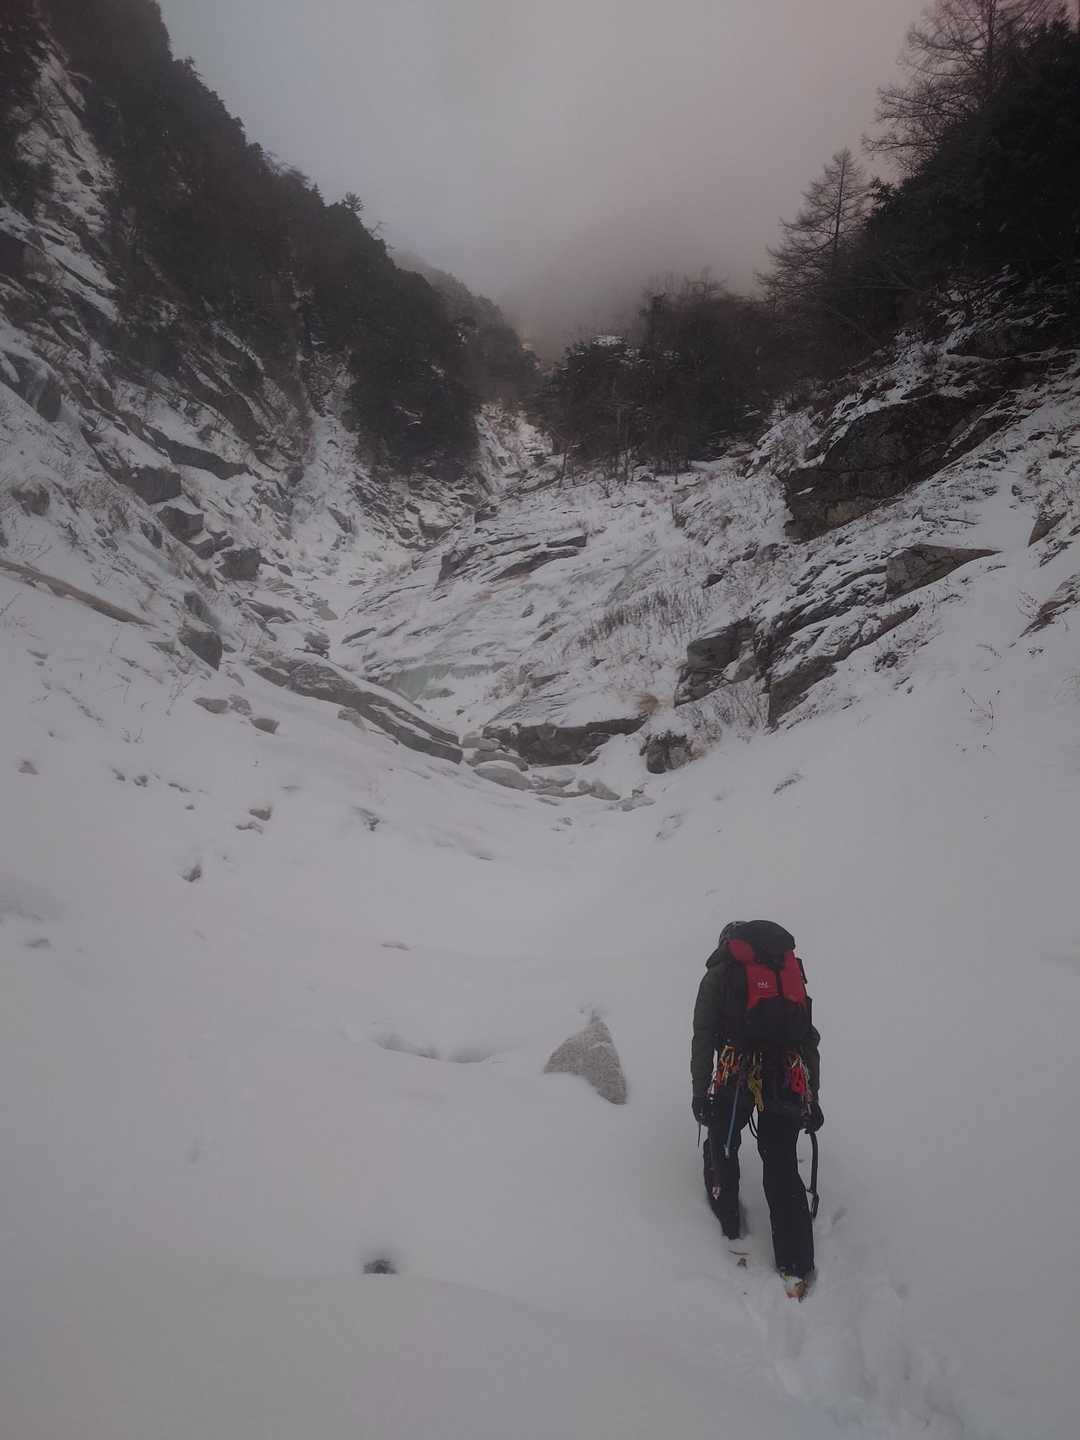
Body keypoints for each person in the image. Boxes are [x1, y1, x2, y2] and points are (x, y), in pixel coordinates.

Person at [691, 919, 822, 1297]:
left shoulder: (719, 976)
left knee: (723, 1142)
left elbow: (703, 1037)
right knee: (781, 1161)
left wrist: (700, 1092)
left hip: (736, 1070)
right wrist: (813, 1096)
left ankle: (729, 1222)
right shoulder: (787, 971)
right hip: (785, 1072)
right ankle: (796, 1263)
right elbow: (808, 1037)